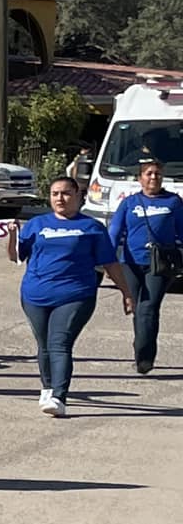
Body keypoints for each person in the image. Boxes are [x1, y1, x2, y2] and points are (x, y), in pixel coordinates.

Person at [10, 177, 131, 417]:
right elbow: (15, 256)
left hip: (75, 294)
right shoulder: (37, 224)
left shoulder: (92, 227)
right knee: (43, 344)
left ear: (78, 196)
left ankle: (59, 396)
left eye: (66, 193)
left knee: (60, 343)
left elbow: (110, 263)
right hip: (35, 294)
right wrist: (13, 235)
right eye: (55, 194)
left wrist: (126, 292)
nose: (60, 198)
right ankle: (47, 387)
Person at [107, 156, 179, 374]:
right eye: (149, 173)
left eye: (157, 173)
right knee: (139, 309)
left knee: (149, 307)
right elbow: (115, 231)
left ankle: (145, 357)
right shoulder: (130, 203)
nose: (153, 177)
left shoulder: (173, 202)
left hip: (160, 264)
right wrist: (108, 260)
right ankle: (141, 346)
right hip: (130, 263)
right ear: (140, 178)